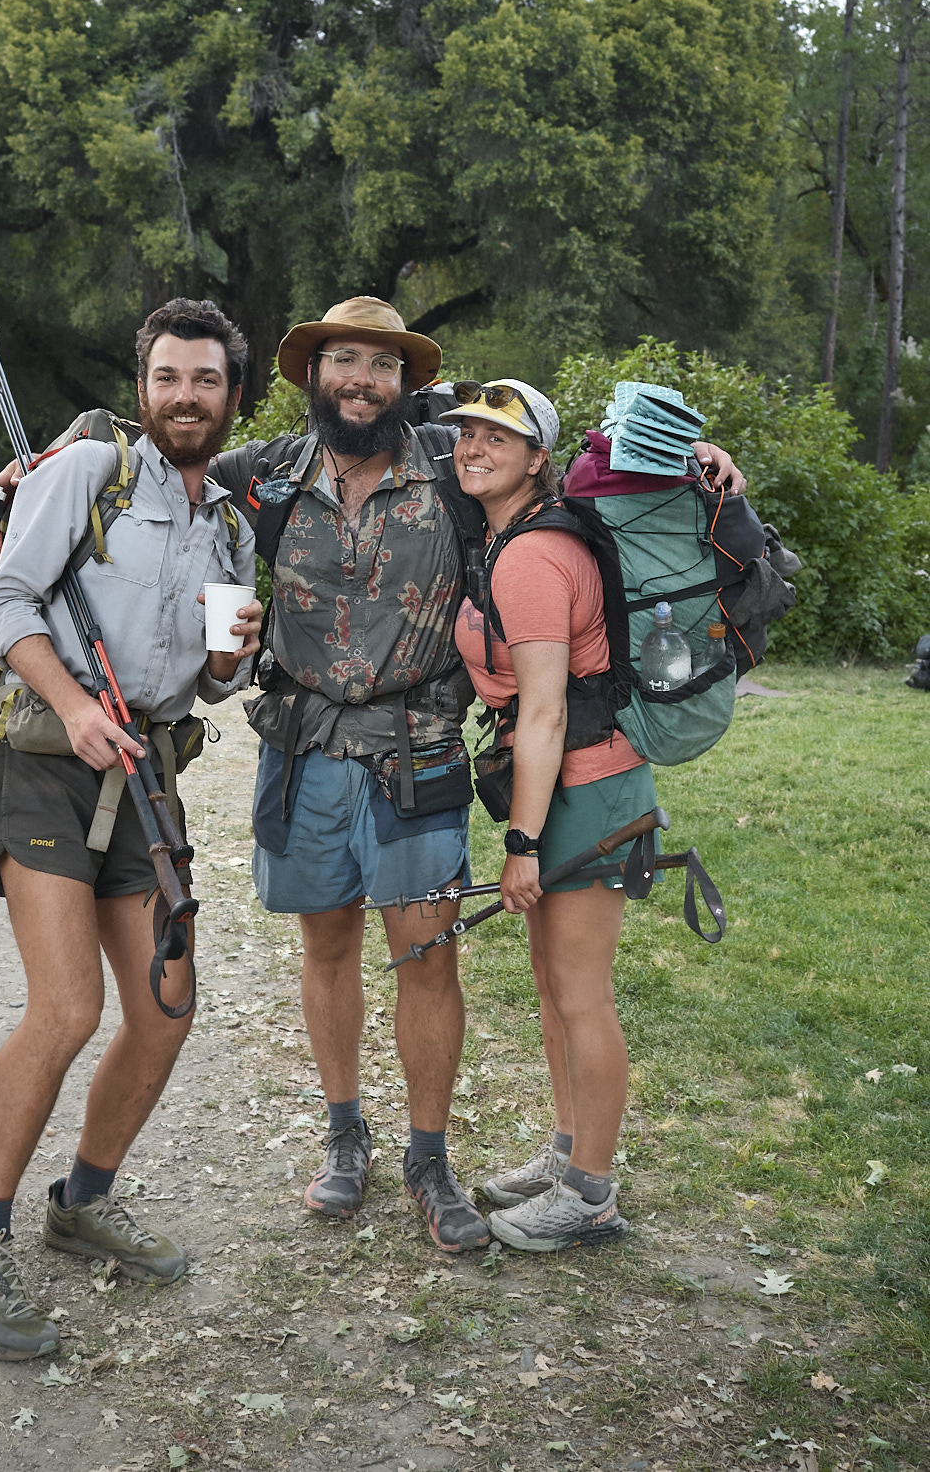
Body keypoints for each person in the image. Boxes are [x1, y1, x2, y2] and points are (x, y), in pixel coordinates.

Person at [206, 301, 747, 1254]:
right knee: (326, 947)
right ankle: (345, 1138)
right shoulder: (261, 479)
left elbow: (573, 475)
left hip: (417, 754)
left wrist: (707, 466)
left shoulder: (453, 470)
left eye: (381, 362)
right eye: (343, 359)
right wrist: (68, 450)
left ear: (406, 380)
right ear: (312, 374)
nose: (360, 378)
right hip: (298, 753)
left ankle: (429, 1157)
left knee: (425, 955)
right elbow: (162, 466)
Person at [0, 298, 262, 1359]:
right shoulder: (87, 475)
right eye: (168, 376)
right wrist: (75, 707)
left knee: (167, 1009)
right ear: (143, 389)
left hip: (146, 777)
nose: (185, 396)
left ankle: (80, 1203)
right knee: (68, 1007)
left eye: (204, 380)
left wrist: (228, 660)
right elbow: (8, 602)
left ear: (230, 397)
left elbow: (217, 684)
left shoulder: (230, 529)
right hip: (44, 764)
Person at [447, 377, 650, 1251]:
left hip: (587, 788)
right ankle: (568, 1152)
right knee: (551, 987)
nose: (474, 449)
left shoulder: (531, 556)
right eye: (466, 435)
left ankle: (593, 1196)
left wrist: (521, 843)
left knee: (581, 994)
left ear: (539, 460)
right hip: (566, 782)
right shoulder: (510, 537)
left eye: (499, 438)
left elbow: (545, 711)